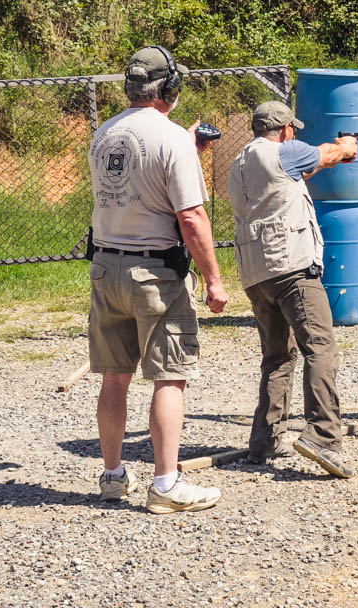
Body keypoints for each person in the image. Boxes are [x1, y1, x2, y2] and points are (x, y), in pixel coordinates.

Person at [87, 45, 228, 513]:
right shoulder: (171, 140)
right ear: (169, 88)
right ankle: (165, 484)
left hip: (107, 265)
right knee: (170, 376)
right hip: (156, 272)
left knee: (114, 377)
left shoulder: (103, 134)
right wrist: (214, 279)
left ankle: (112, 476)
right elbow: (190, 216)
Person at [226, 101, 358, 478]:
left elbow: (301, 171)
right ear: (284, 129)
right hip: (292, 268)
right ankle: (322, 435)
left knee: (277, 358)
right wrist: (347, 146)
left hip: (255, 271)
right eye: (293, 129)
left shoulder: (239, 163)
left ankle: (265, 441)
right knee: (320, 347)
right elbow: (330, 155)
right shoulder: (285, 152)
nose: (295, 134)